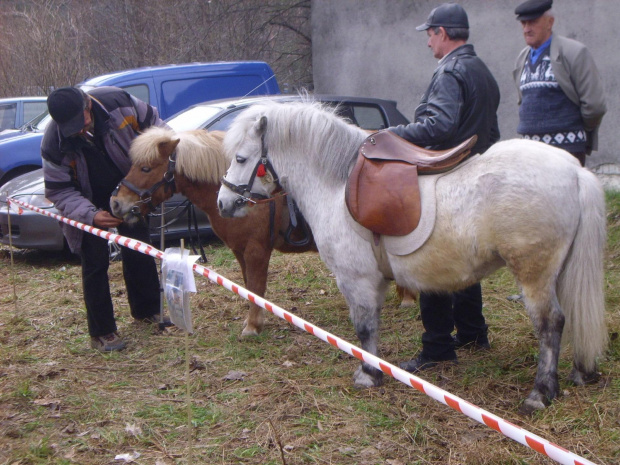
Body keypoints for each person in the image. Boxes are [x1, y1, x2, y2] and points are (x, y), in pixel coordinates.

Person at [388, 3, 500, 372]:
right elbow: (492, 133)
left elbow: (438, 126)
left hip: (445, 178)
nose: (428, 42)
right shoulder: (482, 70)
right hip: (475, 175)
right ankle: (472, 332)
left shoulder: (450, 70)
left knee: (430, 259)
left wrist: (392, 134)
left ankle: (437, 346)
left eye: (430, 34)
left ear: (445, 33)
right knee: (468, 258)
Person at [42, 86, 170, 352]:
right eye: (71, 127)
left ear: (88, 105)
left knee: (140, 251)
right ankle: (102, 332)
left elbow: (158, 129)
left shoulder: (120, 103)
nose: (79, 129)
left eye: (82, 122)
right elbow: (58, 190)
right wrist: (90, 215)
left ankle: (148, 310)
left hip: (130, 192)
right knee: (95, 264)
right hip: (87, 204)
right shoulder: (54, 141)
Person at [513, 0, 606, 167]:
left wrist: (573, 130)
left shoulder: (574, 53)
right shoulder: (522, 58)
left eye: (533, 22)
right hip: (530, 153)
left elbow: (595, 105)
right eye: (523, 23)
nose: (526, 29)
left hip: (565, 151)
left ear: (550, 22)